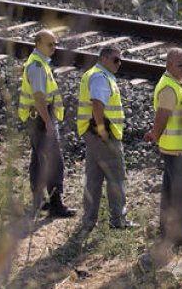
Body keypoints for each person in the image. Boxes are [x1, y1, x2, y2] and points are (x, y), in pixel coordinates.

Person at [143, 48, 182, 246]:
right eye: (180, 65)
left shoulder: (179, 83)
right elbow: (162, 116)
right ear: (169, 65)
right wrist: (155, 136)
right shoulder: (169, 87)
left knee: (171, 191)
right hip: (177, 149)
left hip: (181, 148)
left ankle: (167, 231)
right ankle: (181, 233)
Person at [16, 29, 75, 217]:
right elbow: (39, 97)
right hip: (40, 118)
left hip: (36, 118)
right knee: (54, 161)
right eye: (50, 44)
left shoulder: (40, 63)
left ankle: (38, 200)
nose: (54, 47)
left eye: (55, 44)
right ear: (38, 44)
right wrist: (48, 122)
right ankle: (55, 203)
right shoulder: (38, 67)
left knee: (38, 160)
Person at [77, 46, 134, 232]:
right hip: (103, 135)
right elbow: (97, 104)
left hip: (92, 133)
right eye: (115, 60)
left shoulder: (93, 74)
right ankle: (118, 220)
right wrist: (102, 129)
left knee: (93, 177)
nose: (119, 64)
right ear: (103, 58)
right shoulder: (100, 77)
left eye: (120, 60)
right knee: (115, 177)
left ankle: (88, 221)